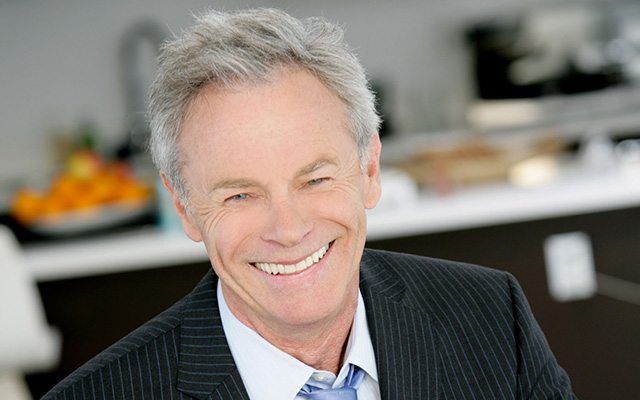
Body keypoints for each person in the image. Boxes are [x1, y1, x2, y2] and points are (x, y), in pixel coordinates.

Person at [43, 8, 576, 400]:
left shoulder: (490, 317)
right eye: (240, 195)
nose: (289, 229)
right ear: (184, 208)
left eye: (315, 179)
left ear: (369, 171)